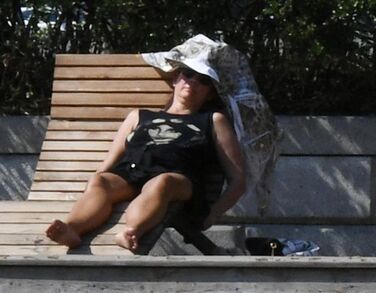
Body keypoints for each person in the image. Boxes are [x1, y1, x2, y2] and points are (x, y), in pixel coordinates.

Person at [44, 56, 248, 253]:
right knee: (101, 182)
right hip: (132, 172)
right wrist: (94, 182)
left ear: (210, 93)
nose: (192, 82)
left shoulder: (213, 120)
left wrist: (213, 214)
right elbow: (108, 163)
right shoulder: (139, 116)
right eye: (188, 74)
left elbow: (238, 179)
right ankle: (72, 228)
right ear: (176, 79)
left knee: (162, 182)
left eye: (203, 80)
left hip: (178, 179)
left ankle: (132, 232)